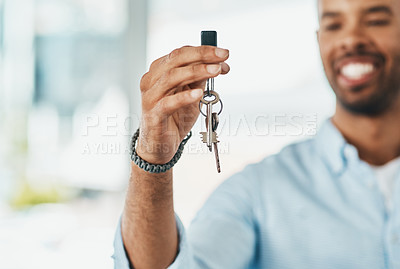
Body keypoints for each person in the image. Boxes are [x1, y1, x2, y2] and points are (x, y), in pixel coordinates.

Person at [113, 0, 400, 267]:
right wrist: (152, 162)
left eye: (376, 21)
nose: (351, 39)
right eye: (334, 25)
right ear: (319, 40)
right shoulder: (257, 190)